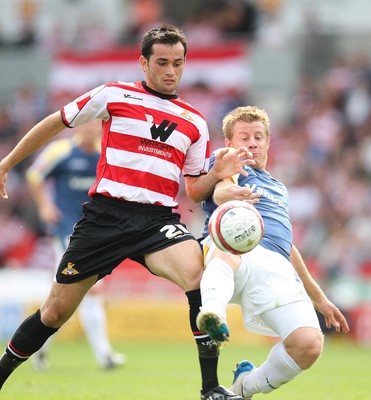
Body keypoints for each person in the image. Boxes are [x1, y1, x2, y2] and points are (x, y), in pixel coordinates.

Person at [0, 25, 252, 400]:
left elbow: (194, 189)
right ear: (143, 62)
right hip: (104, 218)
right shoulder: (114, 94)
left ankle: (210, 388)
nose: (171, 71)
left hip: (157, 222)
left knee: (197, 277)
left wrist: (217, 173)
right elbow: (56, 122)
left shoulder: (195, 122)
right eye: (162, 62)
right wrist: (6, 164)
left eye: (178, 63)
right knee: (53, 313)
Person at [196, 106, 350, 399]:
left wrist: (320, 298)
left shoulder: (279, 188)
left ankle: (246, 385)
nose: (252, 143)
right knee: (227, 251)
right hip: (235, 251)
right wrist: (231, 194)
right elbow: (219, 191)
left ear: (267, 141)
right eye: (244, 137)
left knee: (309, 344)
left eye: (258, 137)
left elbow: (287, 244)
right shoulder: (228, 165)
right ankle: (213, 315)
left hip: (275, 265)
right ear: (230, 143)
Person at [26, 120, 125, 370]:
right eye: (86, 125)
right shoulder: (59, 151)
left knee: (66, 296)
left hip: (96, 232)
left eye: (96, 126)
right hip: (67, 230)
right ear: (78, 127)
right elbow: (34, 175)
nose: (90, 130)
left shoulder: (107, 154)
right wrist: (45, 206)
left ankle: (36, 347)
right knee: (90, 290)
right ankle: (104, 356)